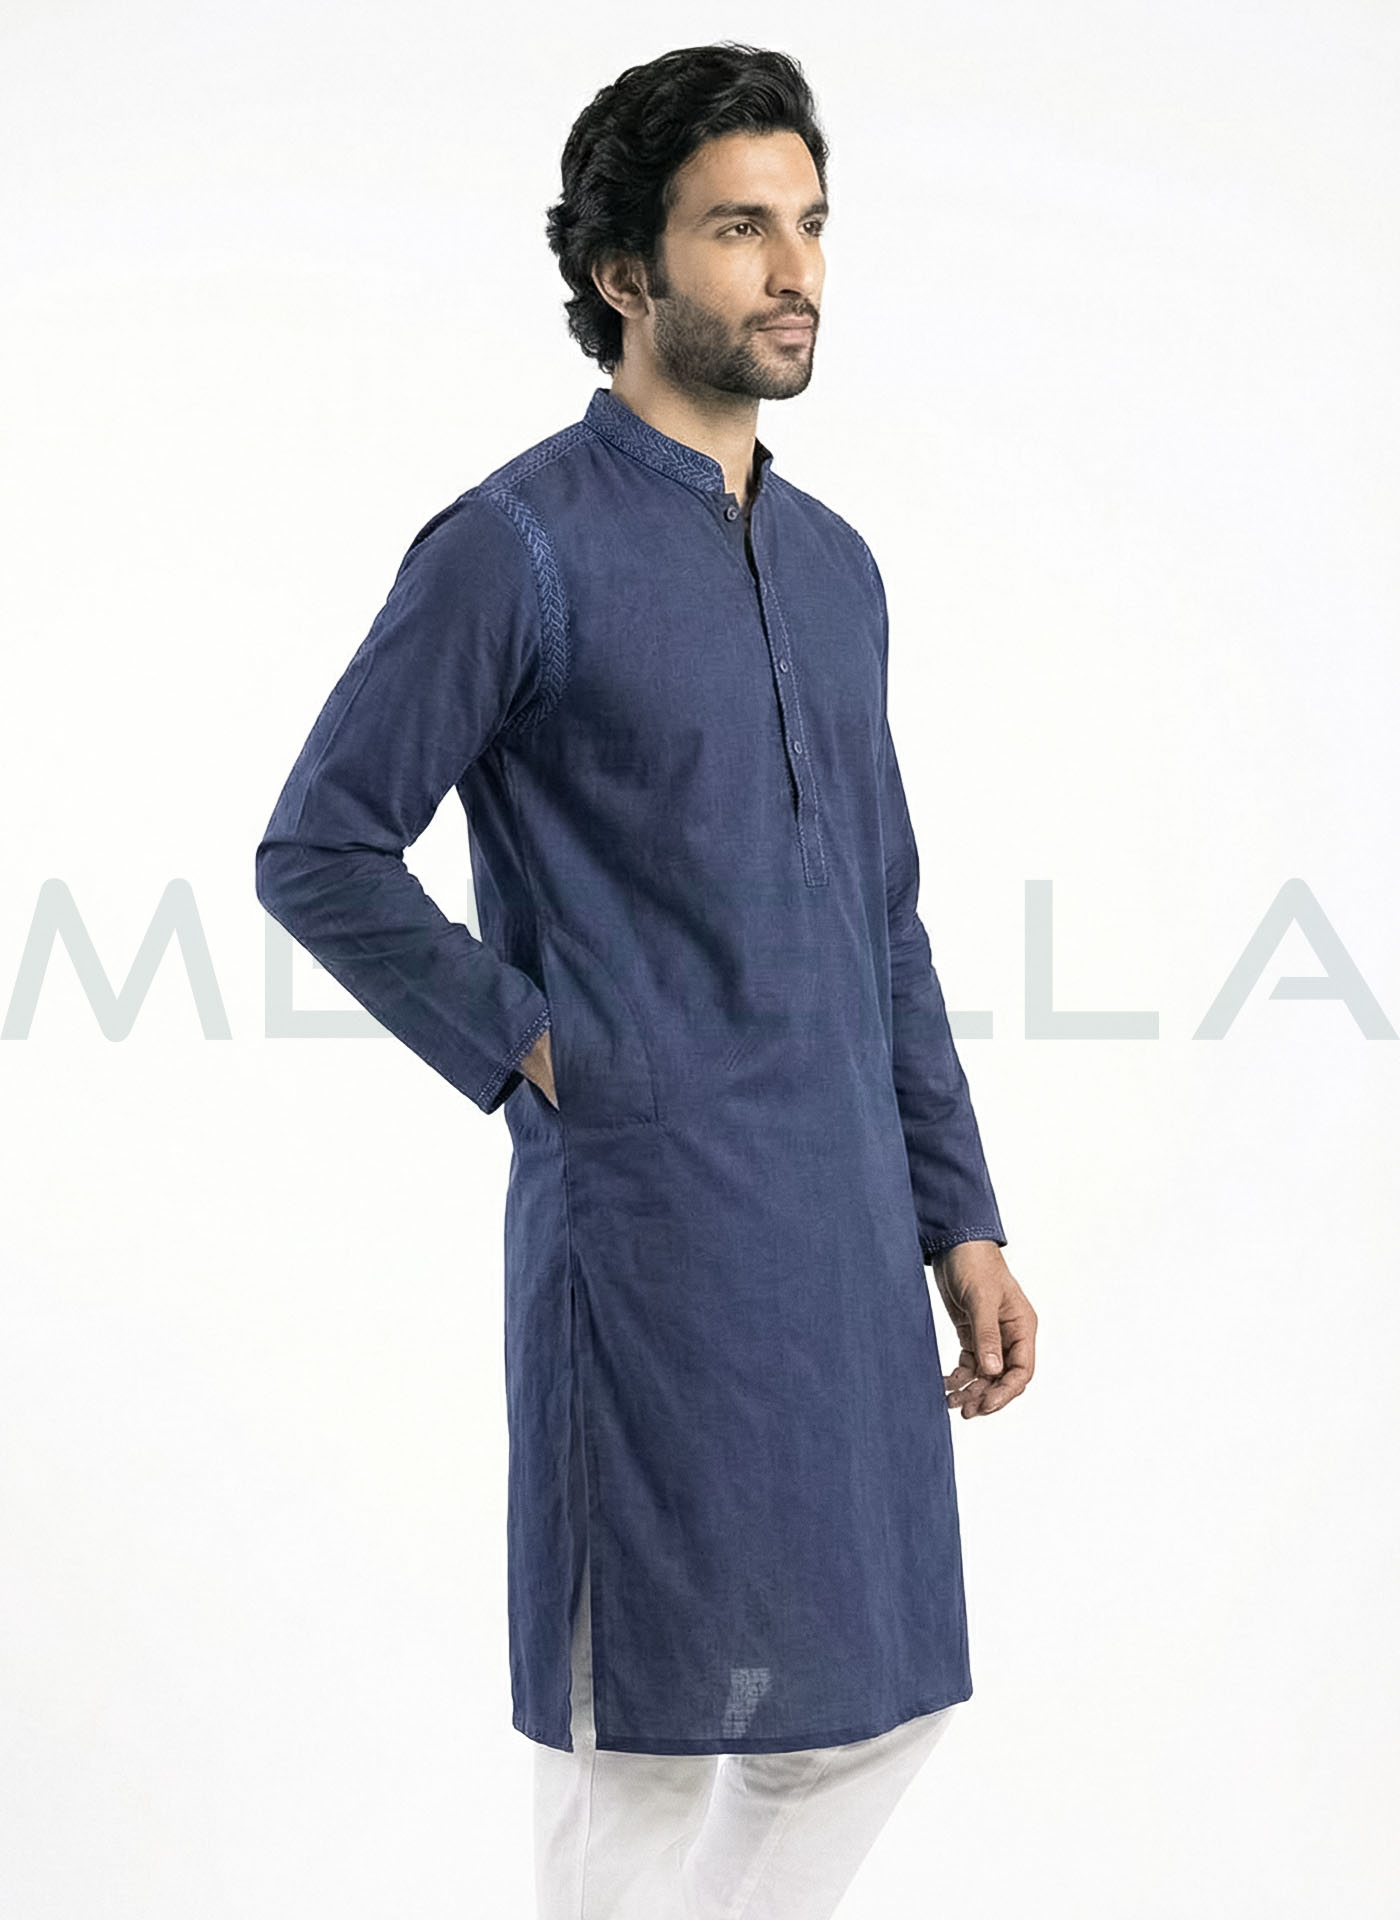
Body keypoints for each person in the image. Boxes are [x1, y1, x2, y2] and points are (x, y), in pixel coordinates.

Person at [255, 40, 1037, 1920]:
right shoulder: (515, 548)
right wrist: (545, 1046)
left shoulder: (837, 569)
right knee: (643, 1755)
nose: (796, 270)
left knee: (874, 1712)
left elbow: (884, 917)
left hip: (842, 1234)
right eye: (740, 229)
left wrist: (961, 1218)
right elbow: (320, 847)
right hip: (653, 1241)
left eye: (812, 224)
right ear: (624, 270)